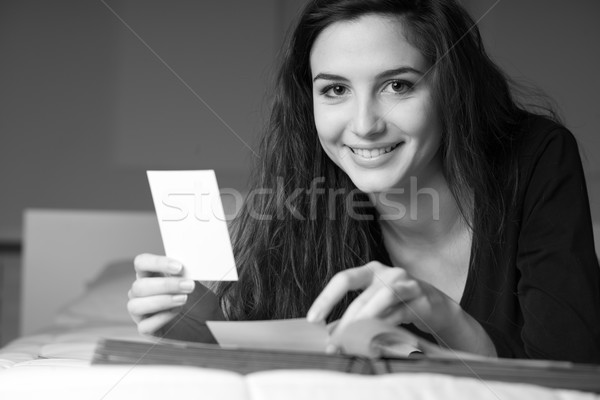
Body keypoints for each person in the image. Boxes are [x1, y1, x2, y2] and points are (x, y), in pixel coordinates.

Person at [127, 0, 600, 362]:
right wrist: (209, 332)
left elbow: (569, 373)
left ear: (452, 88)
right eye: (335, 90)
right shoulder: (303, 195)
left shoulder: (536, 156)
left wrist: (442, 316)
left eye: (398, 85)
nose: (364, 125)